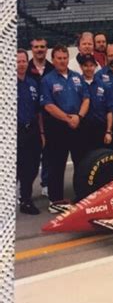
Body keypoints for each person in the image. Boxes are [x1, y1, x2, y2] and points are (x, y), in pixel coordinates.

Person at [40, 44, 90, 213]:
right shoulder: (47, 80)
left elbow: (86, 99)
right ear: (53, 60)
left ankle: (82, 194)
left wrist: (79, 117)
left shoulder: (77, 77)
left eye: (64, 57)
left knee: (81, 162)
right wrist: (67, 118)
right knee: (57, 164)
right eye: (59, 58)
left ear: (68, 58)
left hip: (77, 124)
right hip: (58, 127)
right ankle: (56, 201)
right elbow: (48, 105)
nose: (62, 61)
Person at [26, 37, 54, 198]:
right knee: (30, 157)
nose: (39, 49)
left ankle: (46, 183)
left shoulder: (51, 68)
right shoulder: (25, 68)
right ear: (32, 48)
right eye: (36, 47)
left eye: (42, 46)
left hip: (49, 118)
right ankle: (25, 191)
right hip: (32, 119)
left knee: (49, 153)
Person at [17, 49, 44, 214]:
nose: (21, 64)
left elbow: (39, 111)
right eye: (18, 61)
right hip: (15, 132)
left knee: (32, 167)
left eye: (23, 61)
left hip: (32, 130)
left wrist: (41, 133)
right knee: (15, 169)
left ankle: (26, 200)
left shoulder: (33, 83)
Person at [78, 54, 113, 151]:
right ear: (81, 67)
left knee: (101, 159)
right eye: (85, 66)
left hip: (100, 129)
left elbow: (109, 111)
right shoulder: (77, 85)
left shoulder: (104, 86)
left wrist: (108, 131)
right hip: (82, 129)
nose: (88, 68)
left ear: (95, 66)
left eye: (91, 65)